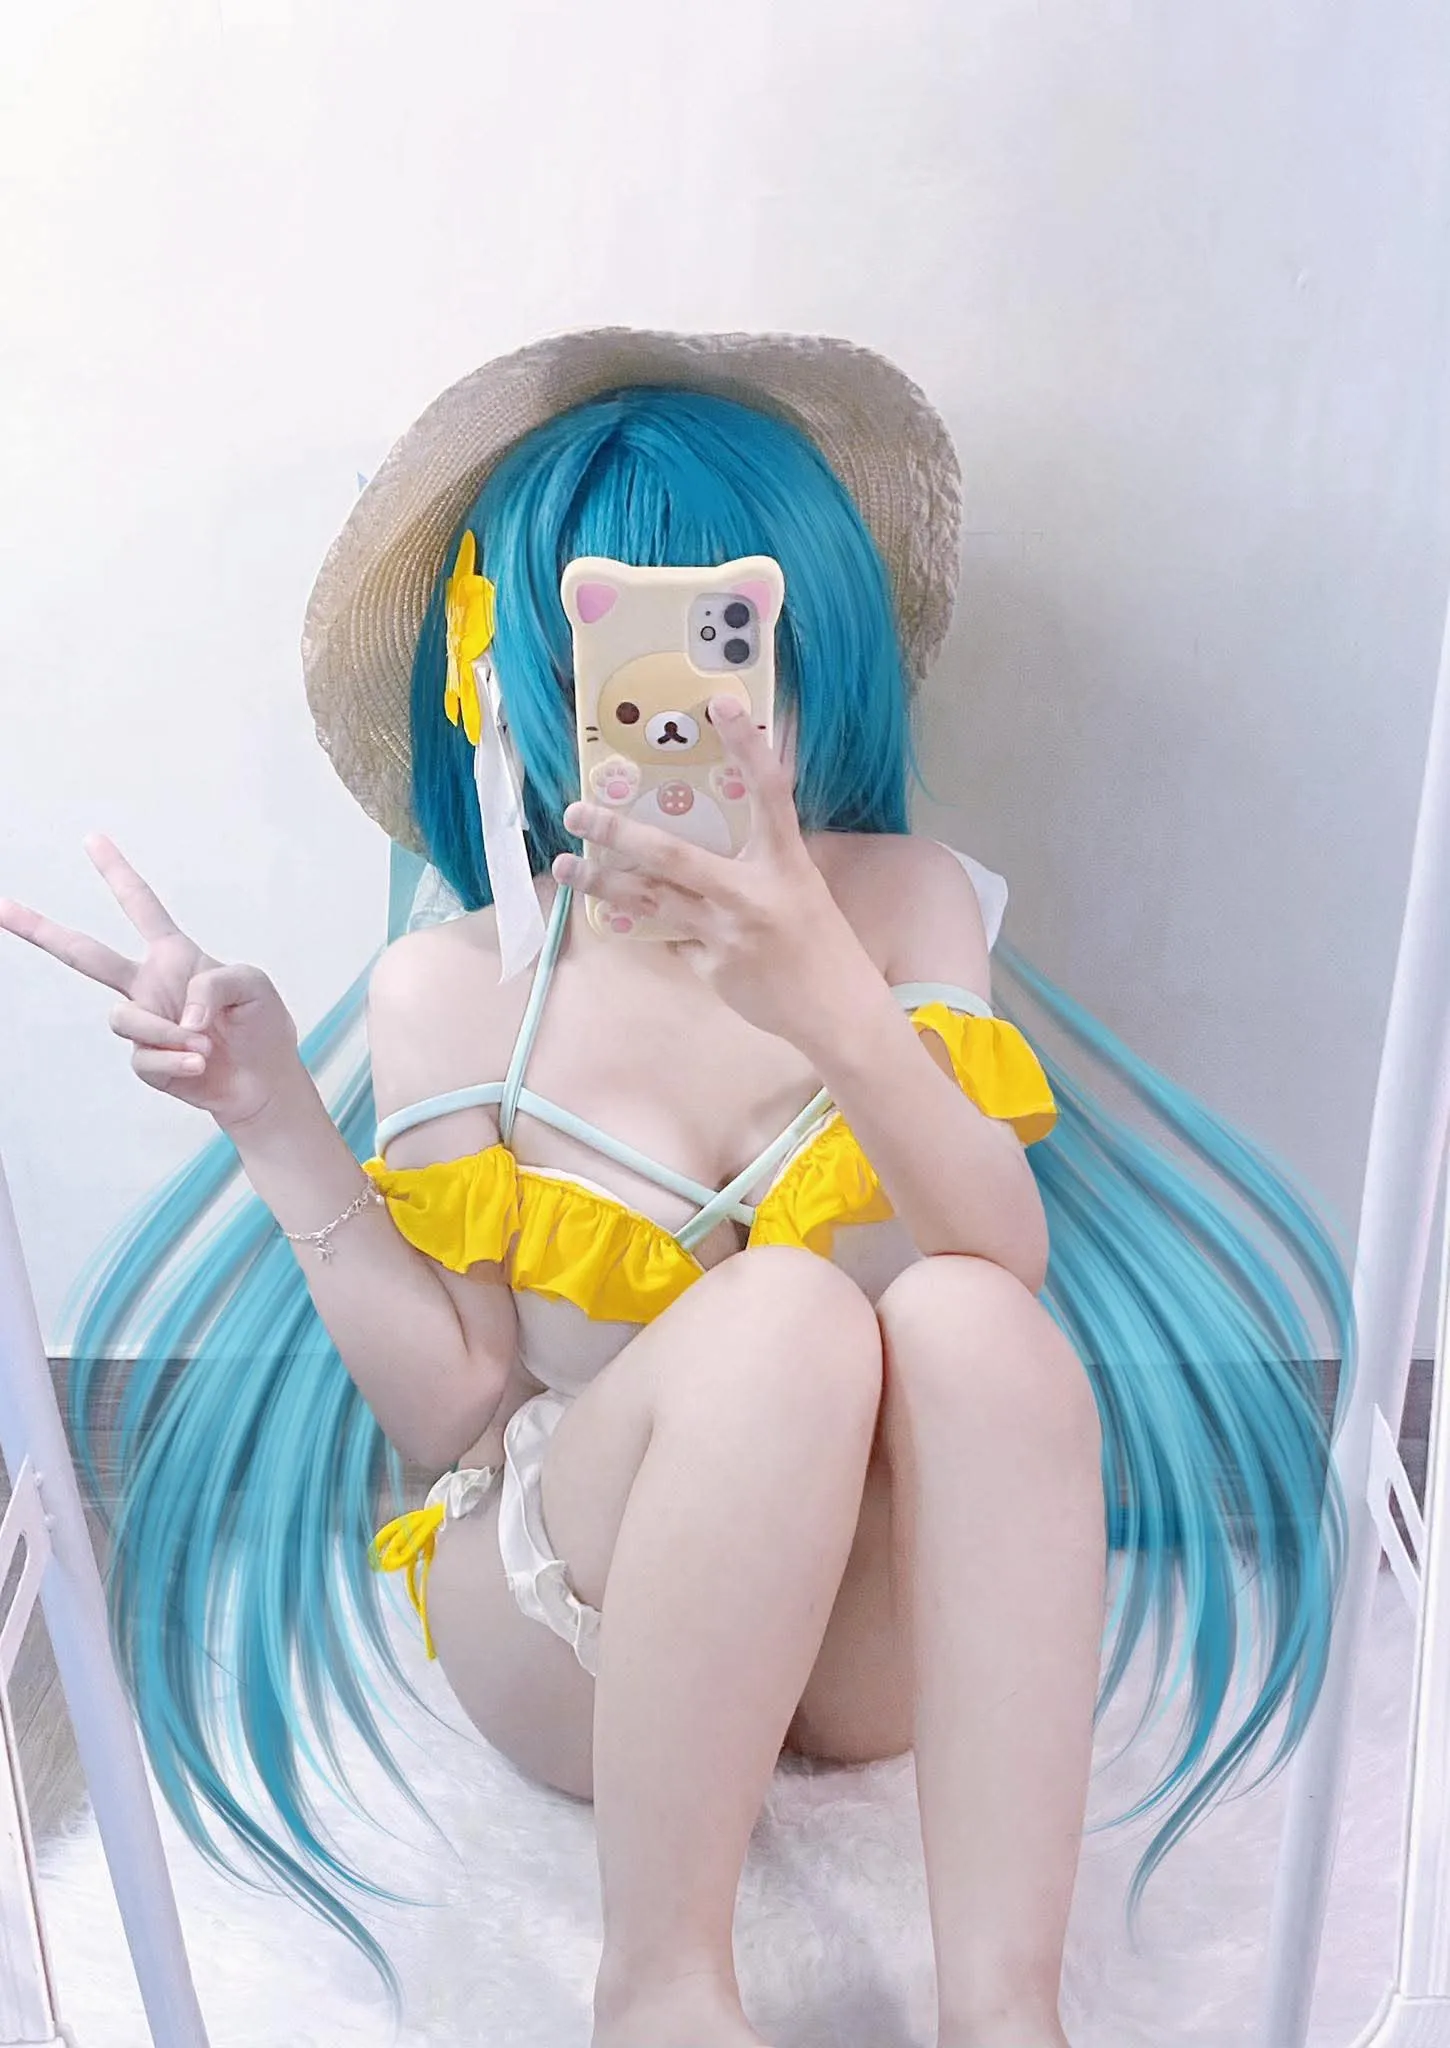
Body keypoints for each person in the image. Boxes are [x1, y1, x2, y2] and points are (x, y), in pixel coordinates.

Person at [0, 329, 1354, 2048]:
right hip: (578, 1616)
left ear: (805, 655)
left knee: (967, 1326)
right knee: (783, 1314)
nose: (676, 717)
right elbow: (455, 1407)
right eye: (612, 663)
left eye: (725, 650)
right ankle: (660, 1996)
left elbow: (998, 1256)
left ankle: (1006, 2011)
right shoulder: (458, 985)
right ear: (517, 689)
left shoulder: (903, 901)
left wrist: (823, 995)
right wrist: (271, 1119)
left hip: (864, 1623)